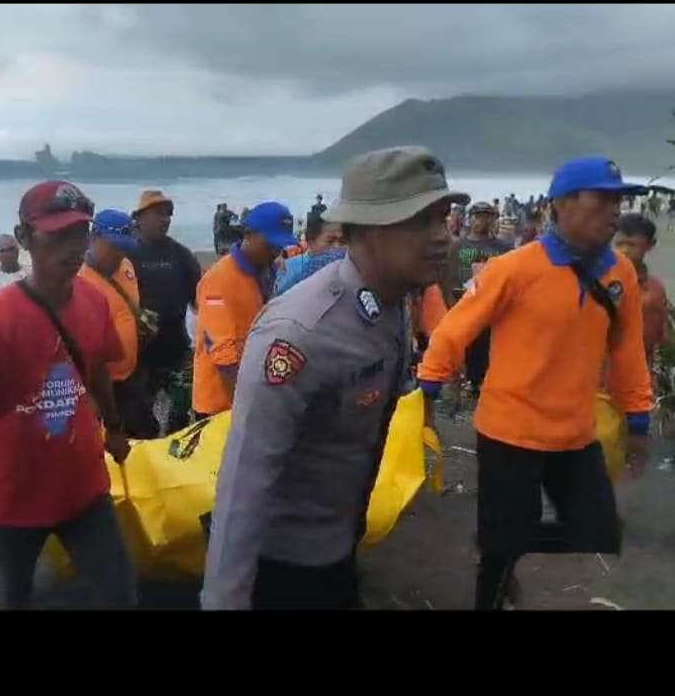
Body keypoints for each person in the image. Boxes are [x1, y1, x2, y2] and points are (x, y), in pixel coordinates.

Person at [201, 146, 464, 610]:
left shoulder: (392, 304)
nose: (441, 237)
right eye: (421, 221)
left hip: (339, 545)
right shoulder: (300, 333)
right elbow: (245, 482)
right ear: (364, 231)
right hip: (282, 568)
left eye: (443, 218)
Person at [418, 156, 653, 611]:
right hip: (510, 430)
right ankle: (496, 569)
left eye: (618, 200)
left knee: (598, 530)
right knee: (502, 554)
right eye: (602, 199)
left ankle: (497, 534)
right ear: (563, 204)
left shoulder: (619, 273)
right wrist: (428, 388)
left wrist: (638, 418)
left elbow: (628, 350)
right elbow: (455, 328)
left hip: (575, 432)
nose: (613, 210)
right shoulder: (514, 268)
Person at [0, 180, 137, 610]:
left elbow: (98, 365)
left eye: (79, 234)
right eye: (57, 235)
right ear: (26, 237)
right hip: (9, 503)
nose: (71, 248)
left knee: (120, 596)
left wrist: (115, 426)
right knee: (7, 600)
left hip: (83, 490)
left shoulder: (93, 301)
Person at [193, 202, 296, 419]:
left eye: (280, 245)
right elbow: (223, 356)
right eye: (270, 244)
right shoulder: (218, 280)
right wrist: (246, 409)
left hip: (256, 387)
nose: (276, 251)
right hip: (221, 402)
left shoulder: (270, 270)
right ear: (248, 234)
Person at [79, 209, 159, 439]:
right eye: (113, 246)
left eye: (125, 247)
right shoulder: (78, 280)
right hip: (100, 385)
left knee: (146, 434)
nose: (119, 253)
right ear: (93, 239)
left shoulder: (126, 267)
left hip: (132, 375)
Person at [130, 189, 202, 433]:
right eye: (157, 213)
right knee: (139, 422)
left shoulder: (181, 255)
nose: (165, 219)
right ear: (138, 218)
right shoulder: (125, 256)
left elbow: (199, 303)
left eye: (168, 214)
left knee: (180, 418)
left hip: (177, 350)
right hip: (139, 356)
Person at [441, 201, 511, 394]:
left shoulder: (503, 248)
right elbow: (446, 276)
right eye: (478, 216)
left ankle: (484, 384)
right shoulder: (456, 247)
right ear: (470, 219)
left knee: (489, 348)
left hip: (493, 309)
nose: (482, 220)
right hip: (462, 305)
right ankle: (465, 382)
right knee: (464, 346)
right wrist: (449, 303)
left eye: (487, 216)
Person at [614, 213, 672, 365]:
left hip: (642, 367)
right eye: (619, 244)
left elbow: (663, 334)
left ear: (650, 244)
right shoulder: (601, 282)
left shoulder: (656, 289)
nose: (624, 251)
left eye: (632, 245)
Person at [274, 214, 345, 296]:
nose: (337, 247)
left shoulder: (345, 268)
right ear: (311, 241)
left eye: (343, 242)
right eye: (330, 241)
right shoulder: (287, 268)